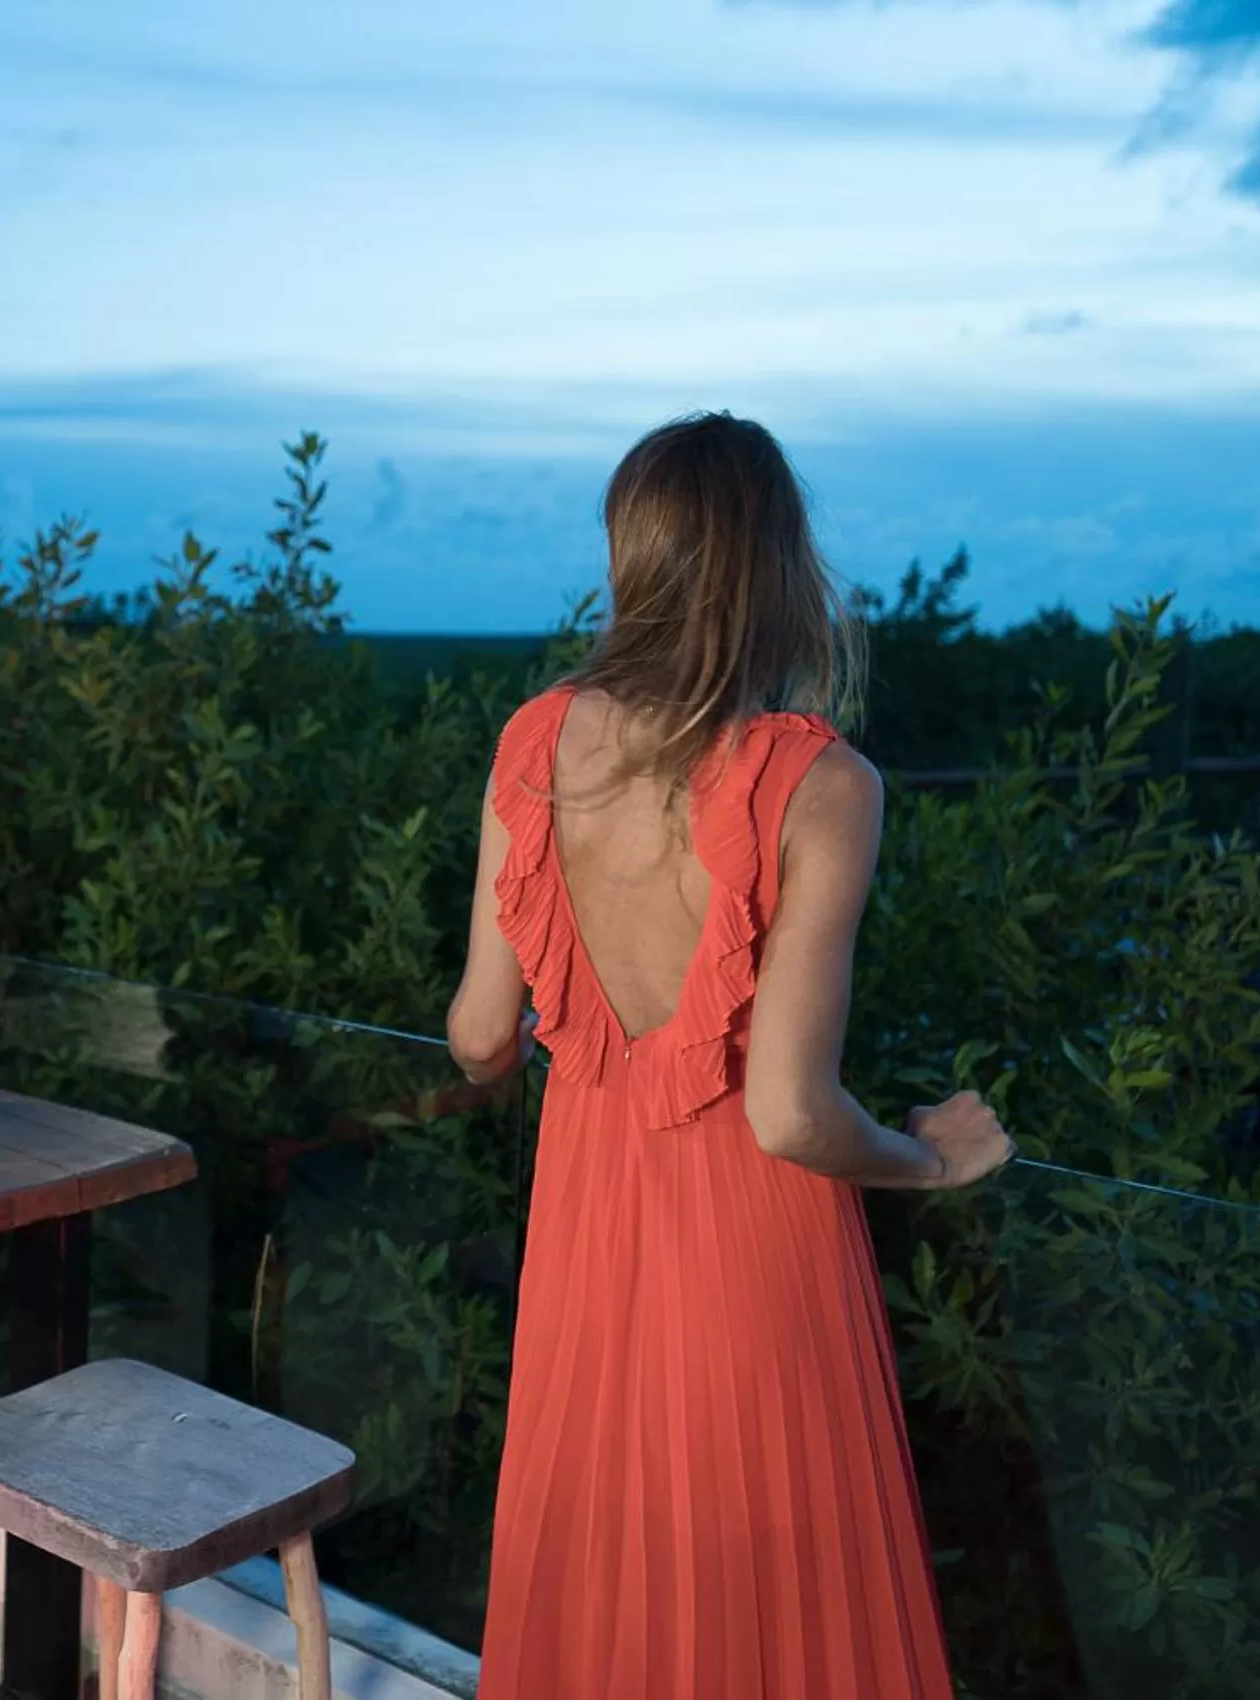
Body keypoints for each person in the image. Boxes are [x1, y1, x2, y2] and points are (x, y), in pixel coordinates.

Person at [447, 413, 1013, 1698]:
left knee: (609, 1589)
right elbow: (790, 1116)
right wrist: (928, 1159)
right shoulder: (821, 784)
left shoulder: (534, 745)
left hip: (588, 1242)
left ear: (632, 560)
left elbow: (483, 1034)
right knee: (777, 1619)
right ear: (780, 566)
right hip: (761, 1263)